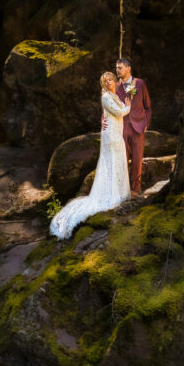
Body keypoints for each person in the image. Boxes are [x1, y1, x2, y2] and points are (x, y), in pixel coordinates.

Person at [49, 72, 131, 241]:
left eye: (110, 80)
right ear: (103, 84)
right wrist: (128, 107)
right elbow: (118, 112)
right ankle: (111, 195)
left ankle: (119, 192)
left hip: (116, 131)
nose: (108, 82)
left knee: (118, 161)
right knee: (111, 162)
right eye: (105, 81)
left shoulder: (114, 95)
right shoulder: (106, 97)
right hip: (111, 134)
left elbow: (114, 112)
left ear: (114, 81)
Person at [114, 56, 151, 195]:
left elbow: (148, 107)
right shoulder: (115, 86)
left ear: (128, 69)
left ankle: (136, 188)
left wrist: (146, 123)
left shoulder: (140, 84)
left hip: (138, 127)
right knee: (122, 158)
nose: (117, 70)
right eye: (116, 68)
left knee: (137, 158)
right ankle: (122, 189)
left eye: (120, 68)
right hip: (122, 127)